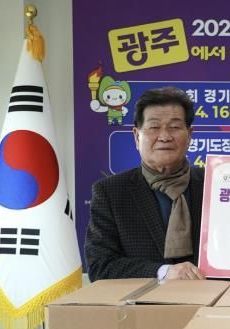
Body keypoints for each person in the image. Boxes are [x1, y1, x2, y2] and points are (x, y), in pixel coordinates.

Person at [85, 86, 205, 281]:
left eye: (174, 127)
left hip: (214, 297)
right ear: (136, 136)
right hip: (143, 300)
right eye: (154, 127)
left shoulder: (215, 185)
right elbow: (101, 266)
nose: (165, 136)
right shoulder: (110, 192)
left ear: (189, 135)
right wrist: (164, 272)